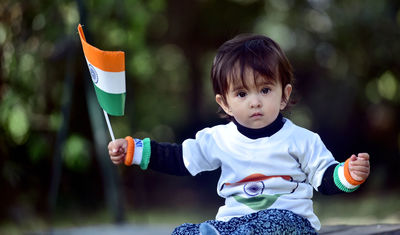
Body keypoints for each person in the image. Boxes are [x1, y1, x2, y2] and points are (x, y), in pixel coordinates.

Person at [108, 34, 370, 235]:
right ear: (225, 104)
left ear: (284, 95)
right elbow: (179, 158)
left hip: (290, 222)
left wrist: (348, 174)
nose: (254, 102)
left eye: (265, 90)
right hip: (233, 223)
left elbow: (324, 177)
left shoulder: (302, 140)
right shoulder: (219, 139)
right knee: (183, 231)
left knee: (273, 221)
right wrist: (133, 150)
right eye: (242, 94)